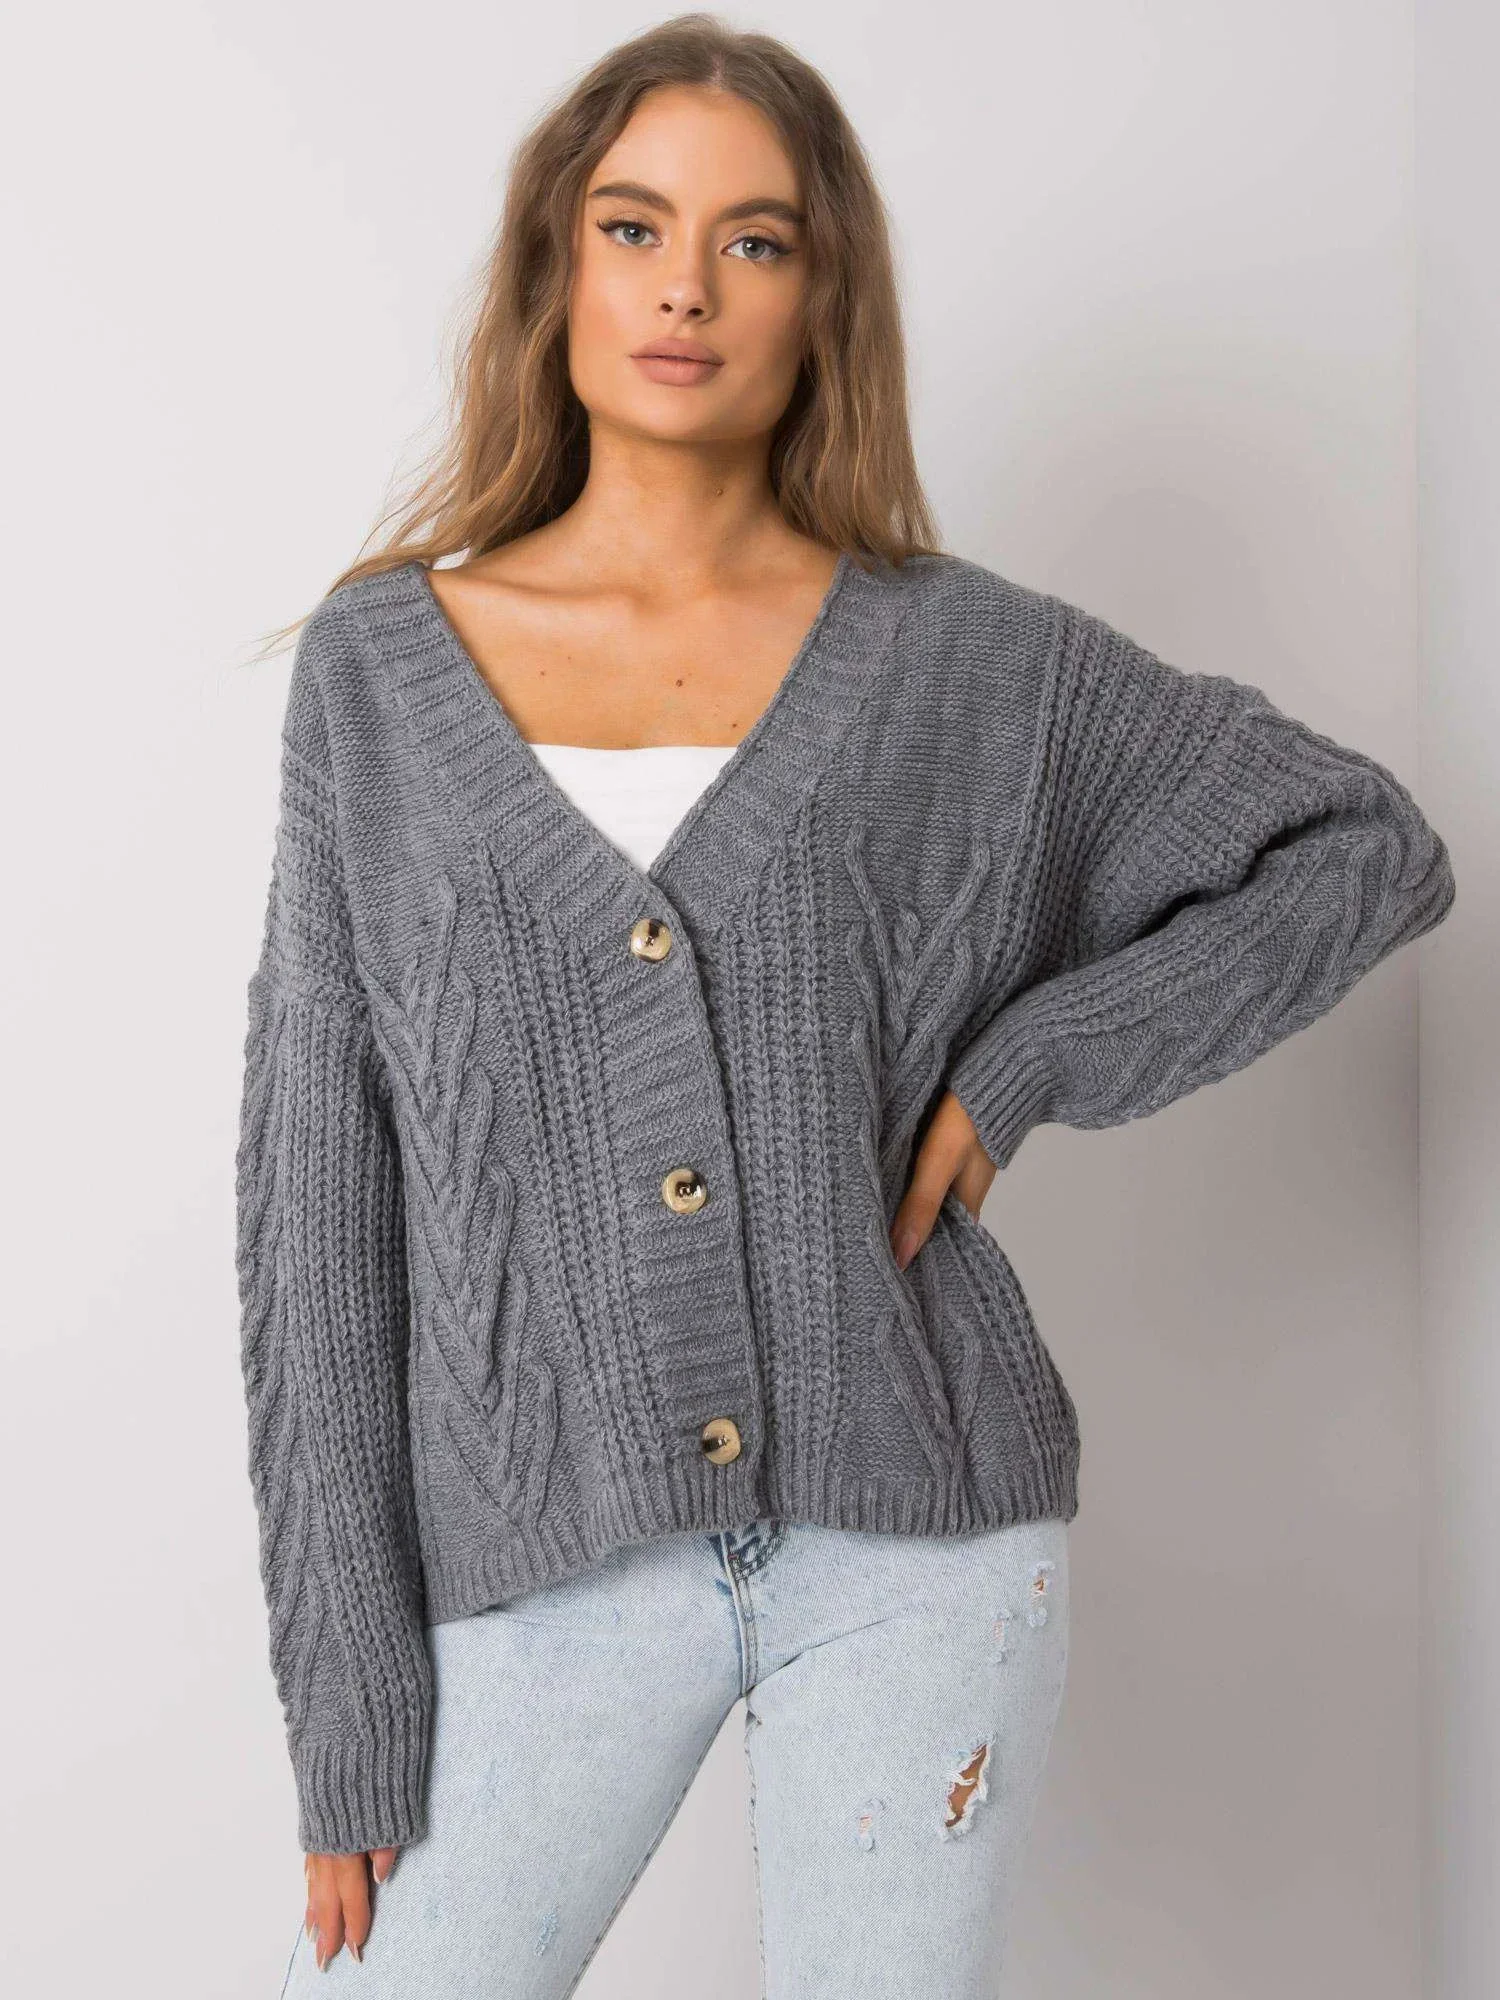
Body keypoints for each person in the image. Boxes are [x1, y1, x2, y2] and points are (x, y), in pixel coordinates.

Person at [234, 15, 1456, 1995]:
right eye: (634, 227)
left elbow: (1364, 848)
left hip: (921, 1545)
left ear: (824, 300)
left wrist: (1036, 1059)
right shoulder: (381, 674)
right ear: (556, 265)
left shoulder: (968, 666)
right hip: (537, 1568)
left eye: (756, 241)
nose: (686, 288)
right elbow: (317, 1205)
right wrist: (350, 1690)